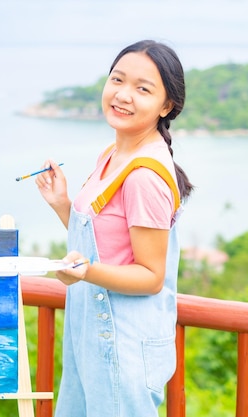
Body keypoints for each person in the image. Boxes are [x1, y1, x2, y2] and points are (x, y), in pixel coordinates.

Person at [34, 40, 194, 417]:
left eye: (143, 88)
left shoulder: (144, 176)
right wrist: (62, 203)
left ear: (166, 105)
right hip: (92, 339)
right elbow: (107, 244)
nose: (123, 95)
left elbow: (151, 276)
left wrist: (86, 272)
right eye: (117, 80)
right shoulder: (113, 154)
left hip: (122, 345)